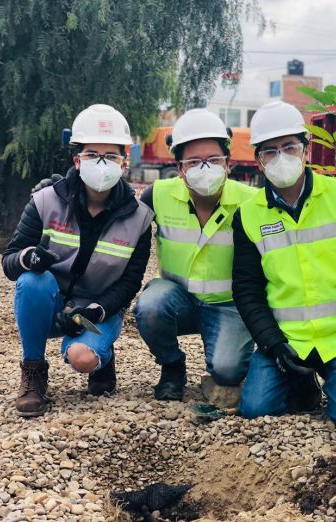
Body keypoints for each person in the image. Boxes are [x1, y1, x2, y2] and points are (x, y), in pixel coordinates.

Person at [231, 101, 336, 428]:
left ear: (306, 151)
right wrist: (273, 344)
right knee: (256, 410)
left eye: (289, 147)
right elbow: (247, 290)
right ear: (259, 162)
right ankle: (301, 383)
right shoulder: (248, 215)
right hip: (288, 338)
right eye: (270, 152)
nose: (281, 158)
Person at [2, 104, 154, 416]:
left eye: (111, 156)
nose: (102, 163)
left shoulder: (139, 219)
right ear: (77, 160)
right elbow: (9, 262)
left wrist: (98, 310)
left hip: (95, 310)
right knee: (32, 281)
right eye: (92, 155)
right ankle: (33, 371)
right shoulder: (45, 201)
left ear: (124, 163)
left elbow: (130, 282)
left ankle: (102, 357)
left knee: (82, 358)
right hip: (52, 303)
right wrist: (29, 258)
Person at [133, 109, 256, 401]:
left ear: (228, 164)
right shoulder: (158, 195)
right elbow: (117, 218)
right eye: (194, 162)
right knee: (149, 306)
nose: (205, 168)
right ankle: (172, 365)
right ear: (179, 168)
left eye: (213, 160)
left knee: (228, 371)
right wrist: (66, 192)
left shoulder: (251, 202)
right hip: (178, 300)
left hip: (228, 305)